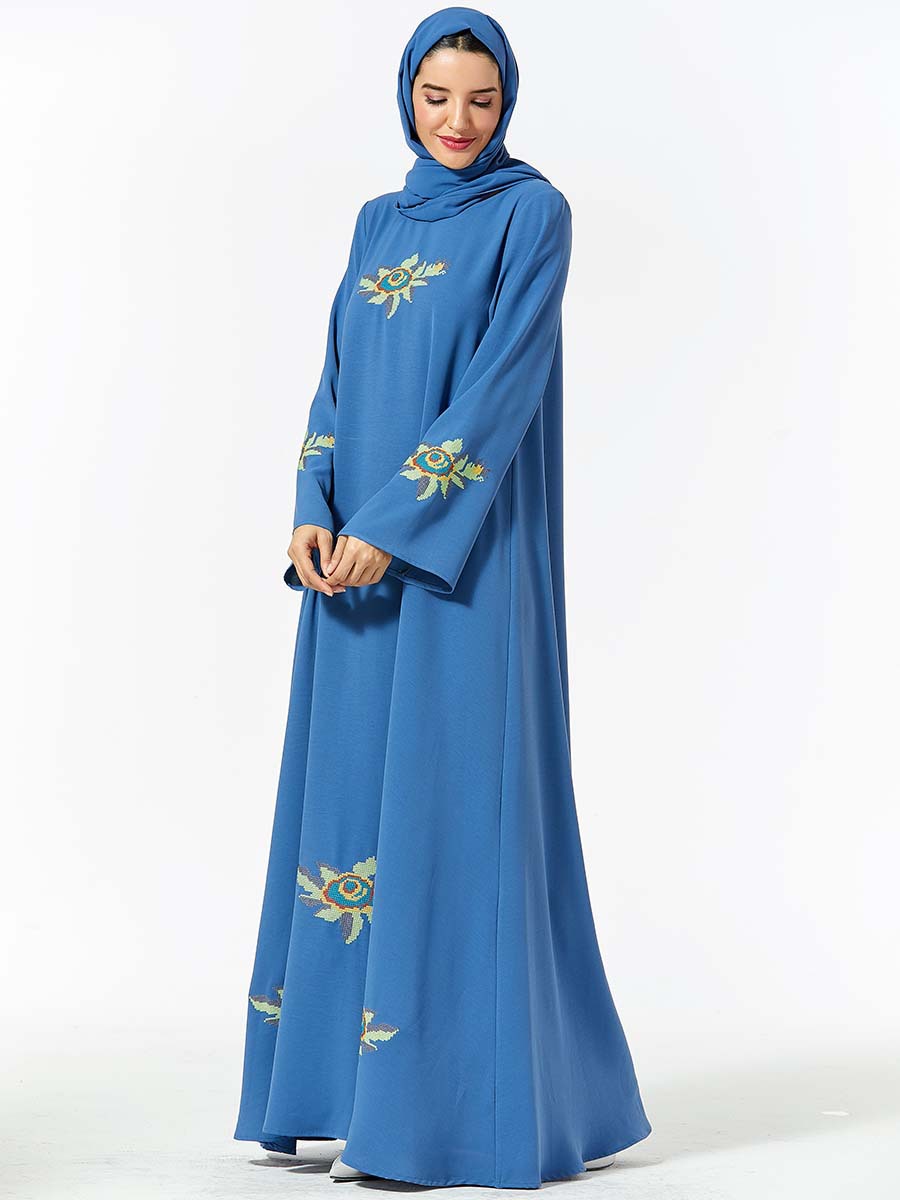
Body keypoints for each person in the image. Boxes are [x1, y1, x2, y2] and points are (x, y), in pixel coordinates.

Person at [233, 6, 652, 1188]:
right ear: (406, 96)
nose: (457, 120)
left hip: (465, 558)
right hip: (350, 566)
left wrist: (396, 526)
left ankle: (439, 1121)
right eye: (436, 97)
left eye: (481, 99)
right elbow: (334, 377)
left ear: (507, 103)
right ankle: (340, 1100)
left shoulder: (531, 213)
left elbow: (501, 388)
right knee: (349, 802)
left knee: (452, 804)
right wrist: (315, 503)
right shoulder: (378, 219)